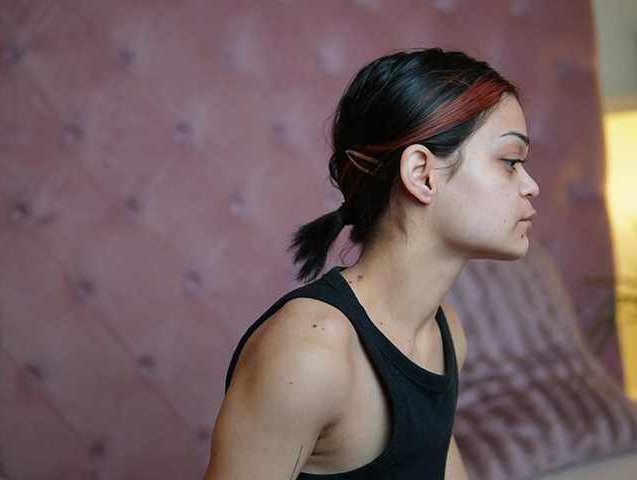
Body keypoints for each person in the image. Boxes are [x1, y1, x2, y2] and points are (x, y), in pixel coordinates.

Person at [204, 47, 540, 480]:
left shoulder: (444, 334)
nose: (531, 186)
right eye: (510, 162)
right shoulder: (310, 352)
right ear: (422, 173)